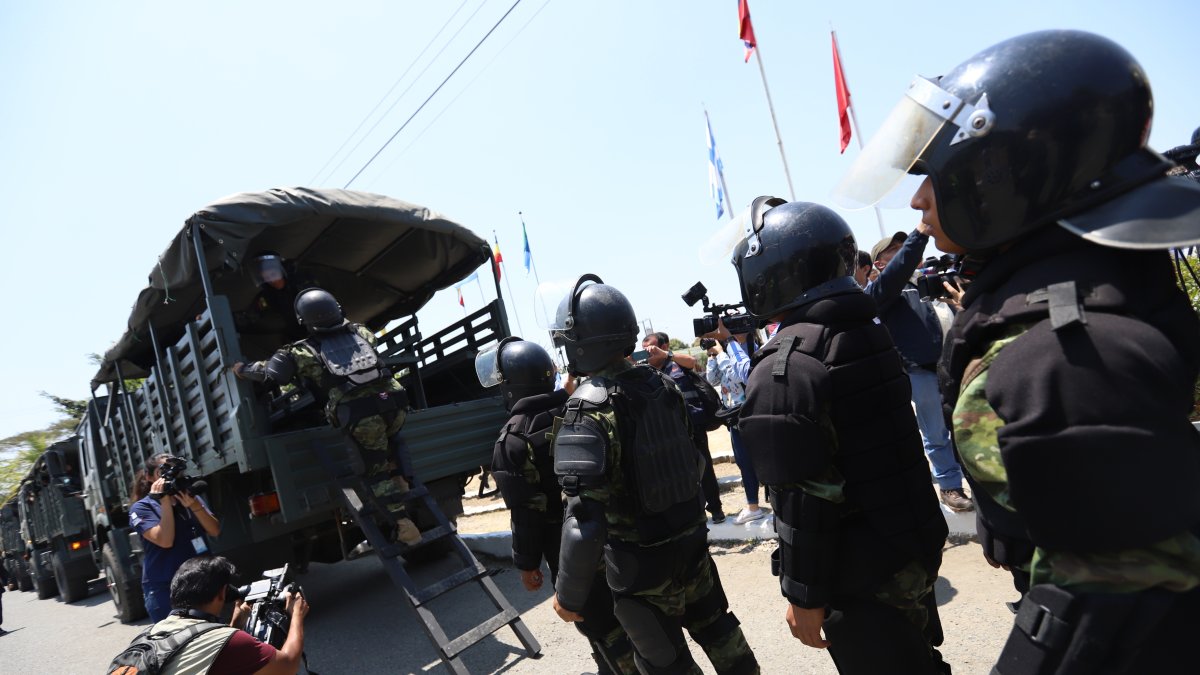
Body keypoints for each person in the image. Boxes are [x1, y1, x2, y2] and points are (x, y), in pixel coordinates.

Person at [836, 29, 1200, 673]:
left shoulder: (1063, 356)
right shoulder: (1076, 295)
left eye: (935, 177)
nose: (919, 200)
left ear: (1001, 174)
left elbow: (1113, 609)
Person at [730, 197, 950, 674]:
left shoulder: (786, 363)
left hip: (860, 571)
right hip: (907, 543)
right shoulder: (863, 323)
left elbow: (801, 496)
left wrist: (803, 592)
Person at [548, 274, 759, 675]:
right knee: (721, 634)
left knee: (666, 663)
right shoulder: (664, 386)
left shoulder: (585, 411)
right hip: (690, 544)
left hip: (640, 567)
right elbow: (692, 463)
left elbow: (584, 522)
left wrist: (568, 595)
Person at [475, 337, 635, 674]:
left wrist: (527, 563)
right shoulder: (582, 407)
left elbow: (525, 512)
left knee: (595, 621)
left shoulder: (512, 439)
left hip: (566, 548)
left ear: (510, 387)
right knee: (628, 610)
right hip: (617, 533)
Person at [234, 287, 421, 547]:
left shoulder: (300, 352)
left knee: (373, 473)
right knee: (390, 443)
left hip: (361, 417)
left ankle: (404, 527)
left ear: (304, 320)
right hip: (396, 405)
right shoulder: (362, 332)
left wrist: (242, 369)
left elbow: (271, 374)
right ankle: (402, 484)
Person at [864, 229, 973, 513]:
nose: (903, 251)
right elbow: (899, 269)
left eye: (904, 246)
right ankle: (950, 486)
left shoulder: (927, 281)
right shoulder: (882, 291)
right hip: (920, 371)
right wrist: (918, 237)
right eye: (895, 249)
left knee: (967, 424)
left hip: (953, 365)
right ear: (880, 264)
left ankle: (977, 479)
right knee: (936, 431)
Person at [110, 555, 308, 675]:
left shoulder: (154, 631)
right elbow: (288, 665)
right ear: (222, 593)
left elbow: (209, 657)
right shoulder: (229, 642)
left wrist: (235, 623)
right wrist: (296, 614)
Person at [642, 331, 725, 524]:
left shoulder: (676, 362)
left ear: (664, 347)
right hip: (669, 431)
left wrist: (666, 355)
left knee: (705, 468)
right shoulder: (647, 372)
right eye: (644, 351)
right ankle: (693, 512)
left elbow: (692, 361)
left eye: (651, 349)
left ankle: (716, 509)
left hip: (694, 426)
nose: (648, 354)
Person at [129, 454, 222, 622]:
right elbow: (165, 540)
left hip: (201, 582)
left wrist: (194, 506)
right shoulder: (141, 507)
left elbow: (214, 531)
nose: (171, 475)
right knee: (179, 645)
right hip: (166, 590)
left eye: (174, 470)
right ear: (149, 477)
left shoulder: (189, 497)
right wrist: (164, 501)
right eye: (163, 471)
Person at [704, 337, 763, 524]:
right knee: (743, 462)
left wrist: (722, 353)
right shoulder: (722, 355)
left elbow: (737, 375)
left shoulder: (746, 350)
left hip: (749, 413)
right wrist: (712, 356)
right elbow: (711, 379)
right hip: (733, 415)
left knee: (757, 459)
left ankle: (755, 506)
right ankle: (753, 504)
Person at [235, 251, 318, 342]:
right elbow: (250, 317)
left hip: (319, 327)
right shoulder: (267, 296)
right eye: (266, 277)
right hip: (298, 339)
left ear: (282, 271)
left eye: (273, 274)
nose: (272, 281)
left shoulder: (301, 283)